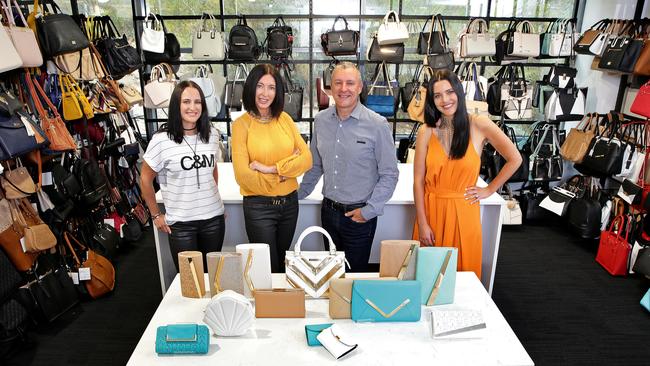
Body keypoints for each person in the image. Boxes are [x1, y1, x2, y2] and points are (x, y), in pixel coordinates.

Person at [413, 69, 522, 279]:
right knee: (428, 277)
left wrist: (490, 189)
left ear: (459, 93)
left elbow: (515, 159)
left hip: (464, 212)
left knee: (463, 275)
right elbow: (418, 181)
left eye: (449, 92)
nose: (445, 100)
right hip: (432, 212)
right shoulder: (426, 131)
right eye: (437, 95)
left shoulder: (479, 124)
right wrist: (422, 223)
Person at [299, 62, 399, 272]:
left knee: (355, 277)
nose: (344, 89)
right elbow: (315, 165)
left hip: (359, 216)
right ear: (330, 88)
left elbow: (389, 174)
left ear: (360, 87)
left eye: (350, 83)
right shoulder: (321, 120)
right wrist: (296, 195)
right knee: (331, 274)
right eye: (338, 83)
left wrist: (369, 210)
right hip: (328, 212)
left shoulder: (377, 124)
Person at [231, 64, 312, 273]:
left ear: (278, 92)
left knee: (284, 263)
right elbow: (243, 176)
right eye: (260, 86)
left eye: (272, 87)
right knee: (267, 266)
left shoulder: (284, 119)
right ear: (251, 88)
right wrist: (287, 172)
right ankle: (269, 306)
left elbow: (307, 159)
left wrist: (271, 169)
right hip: (259, 208)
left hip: (289, 206)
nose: (265, 93)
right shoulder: (241, 125)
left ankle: (279, 305)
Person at [140, 80, 225, 271]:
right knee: (190, 280)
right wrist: (155, 215)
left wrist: (212, 200)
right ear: (176, 105)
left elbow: (212, 170)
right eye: (186, 102)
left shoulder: (212, 134)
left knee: (214, 276)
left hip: (214, 221)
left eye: (197, 102)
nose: (192, 107)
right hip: (181, 225)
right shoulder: (161, 140)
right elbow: (145, 178)